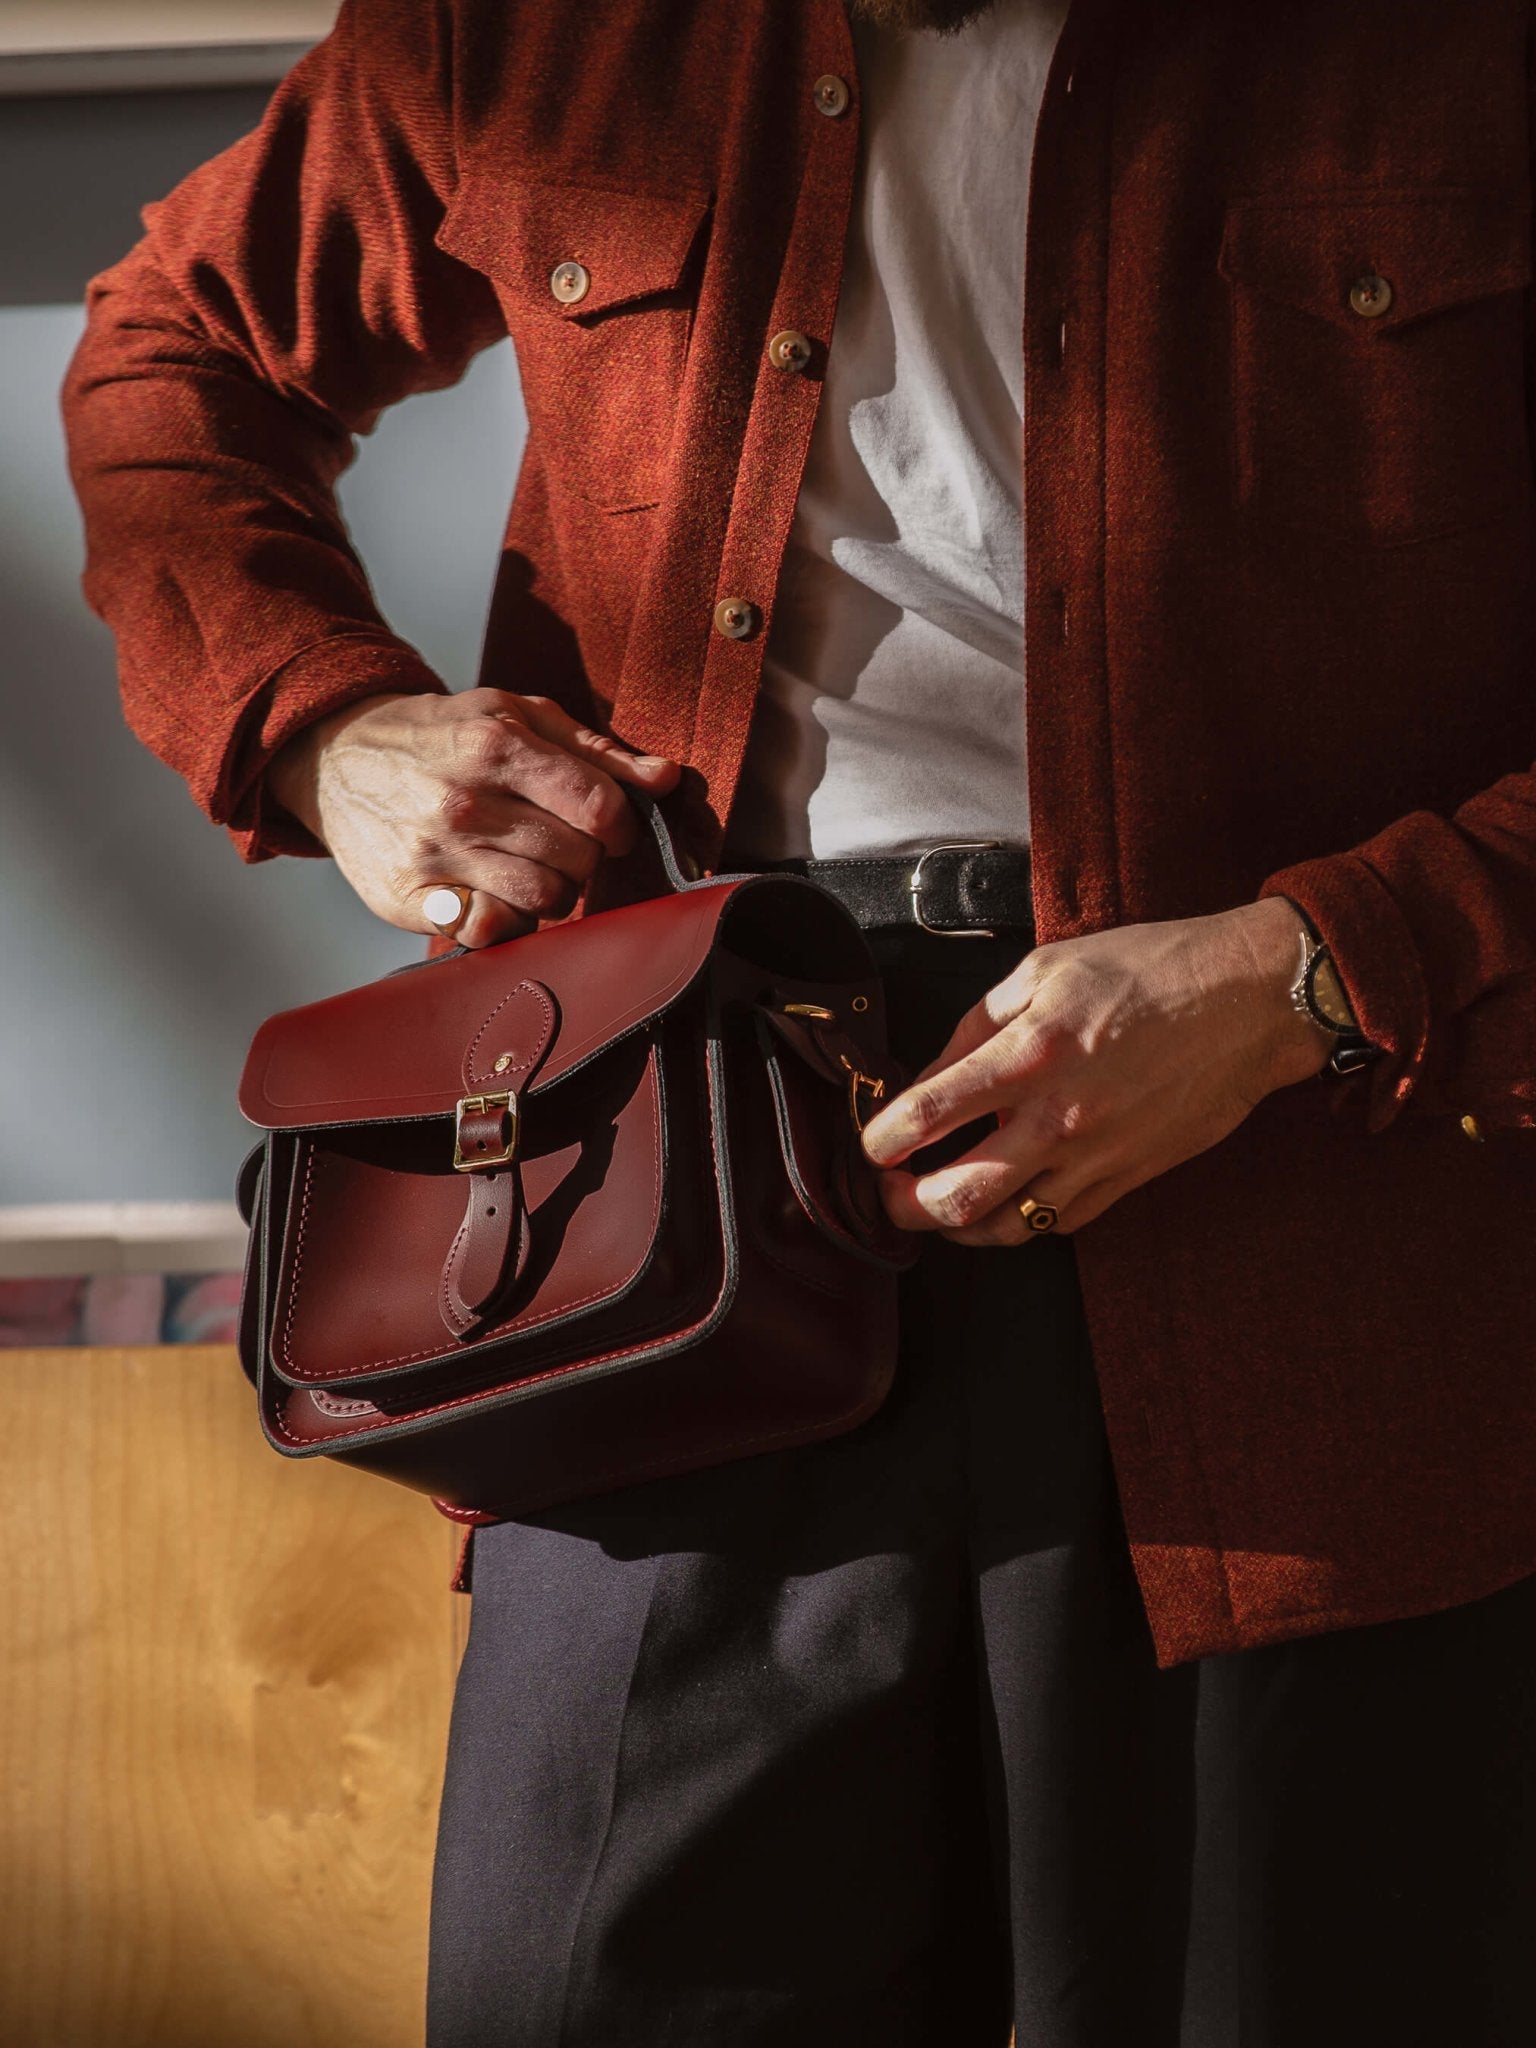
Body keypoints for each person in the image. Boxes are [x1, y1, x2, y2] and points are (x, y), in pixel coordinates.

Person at [62, 0, 1536, 2040]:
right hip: (668, 1218)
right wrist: (330, 731)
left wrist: (1305, 975)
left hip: (1324, 1249)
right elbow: (175, 351)